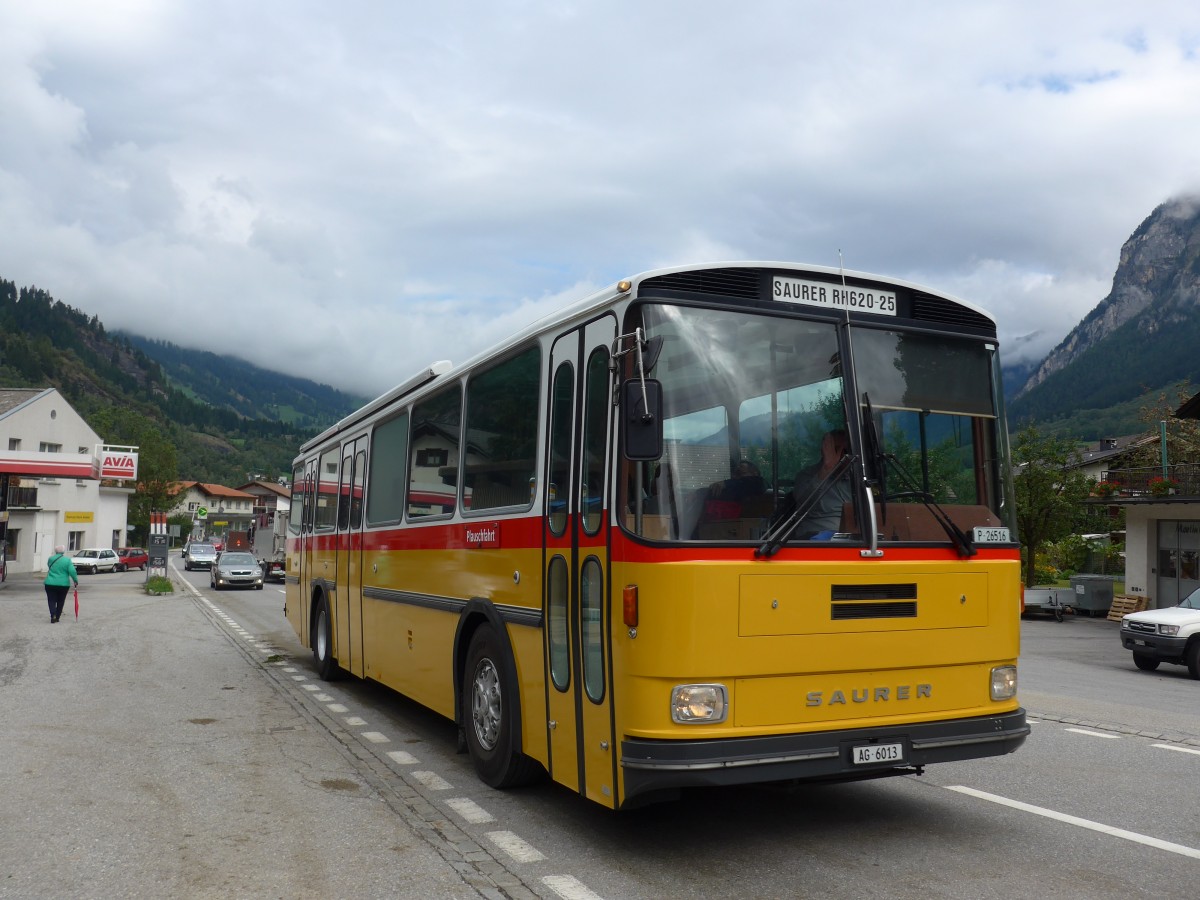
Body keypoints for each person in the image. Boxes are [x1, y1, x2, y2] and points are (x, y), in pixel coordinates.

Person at [788, 429, 852, 538]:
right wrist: (827, 470)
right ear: (824, 451)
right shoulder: (806, 475)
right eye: (835, 450)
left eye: (845, 451)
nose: (841, 456)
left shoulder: (857, 478)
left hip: (854, 537)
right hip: (816, 537)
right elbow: (803, 504)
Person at [44, 544, 80, 623]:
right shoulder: (67, 560)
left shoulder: (51, 559)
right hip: (63, 584)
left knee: (51, 600)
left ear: (55, 551)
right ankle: (57, 616)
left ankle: (52, 614)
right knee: (61, 600)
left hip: (50, 583)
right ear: (63, 551)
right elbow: (72, 571)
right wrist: (75, 580)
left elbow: (49, 566)